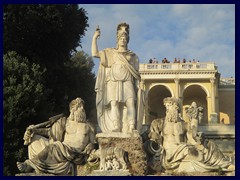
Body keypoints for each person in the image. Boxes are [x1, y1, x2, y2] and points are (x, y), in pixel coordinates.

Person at [148, 97, 235, 173]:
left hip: (183, 147)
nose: (167, 109)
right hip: (169, 151)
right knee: (195, 154)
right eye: (166, 106)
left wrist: (195, 120)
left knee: (209, 145)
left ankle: (224, 164)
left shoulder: (184, 124)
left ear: (176, 107)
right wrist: (155, 139)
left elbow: (192, 138)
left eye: (170, 106)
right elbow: (153, 138)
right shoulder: (159, 123)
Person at [16, 98, 95, 175]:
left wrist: (91, 145)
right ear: (72, 110)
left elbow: (93, 142)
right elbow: (50, 132)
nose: (82, 109)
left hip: (76, 154)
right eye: (79, 107)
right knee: (34, 138)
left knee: (55, 146)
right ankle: (37, 166)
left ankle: (29, 164)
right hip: (63, 149)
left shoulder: (89, 126)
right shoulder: (65, 122)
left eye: (83, 107)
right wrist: (34, 130)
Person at [92, 22, 144, 133]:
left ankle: (131, 126)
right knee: (114, 103)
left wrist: (138, 87)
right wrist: (95, 38)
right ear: (117, 39)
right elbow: (95, 53)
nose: (123, 40)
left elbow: (136, 74)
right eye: (121, 38)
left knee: (130, 102)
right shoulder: (110, 52)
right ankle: (116, 126)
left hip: (127, 79)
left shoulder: (133, 56)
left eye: (125, 38)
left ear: (127, 40)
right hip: (113, 80)